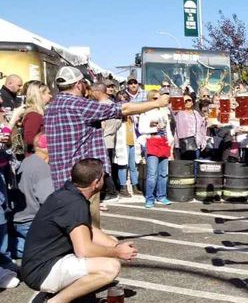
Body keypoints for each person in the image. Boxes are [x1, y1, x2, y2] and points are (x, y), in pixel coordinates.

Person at [19, 159, 138, 303]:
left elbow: (88, 229)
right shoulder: (75, 204)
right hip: (41, 271)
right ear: (96, 182)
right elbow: (84, 250)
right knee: (110, 267)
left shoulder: (69, 193)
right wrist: (117, 252)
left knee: (109, 243)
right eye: (103, 176)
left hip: (41, 263)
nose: (105, 179)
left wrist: (115, 244)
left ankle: (72, 298)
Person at [45, 66, 169, 226]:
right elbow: (124, 108)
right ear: (78, 85)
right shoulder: (78, 104)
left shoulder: (51, 107)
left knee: (66, 225)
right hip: (82, 179)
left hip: (59, 177)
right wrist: (157, 103)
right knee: (85, 227)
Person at [12, 133, 52, 260]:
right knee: (52, 249)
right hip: (31, 222)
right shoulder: (42, 168)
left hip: (19, 220)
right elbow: (48, 200)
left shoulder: (27, 161)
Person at [138, 90, 174, 209]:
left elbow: (168, 129)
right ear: (149, 99)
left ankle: (161, 196)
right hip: (152, 142)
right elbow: (141, 129)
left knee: (163, 173)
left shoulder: (164, 111)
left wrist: (170, 141)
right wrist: (155, 129)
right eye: (155, 98)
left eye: (159, 98)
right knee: (152, 173)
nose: (157, 100)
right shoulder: (145, 113)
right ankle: (150, 198)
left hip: (164, 142)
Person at [20, 81, 52, 152]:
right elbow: (29, 139)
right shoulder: (34, 115)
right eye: (48, 93)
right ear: (40, 95)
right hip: (37, 155)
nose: (51, 96)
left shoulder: (38, 113)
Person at [173, 95, 207, 160]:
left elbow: (202, 128)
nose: (187, 102)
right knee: (182, 164)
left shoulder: (196, 113)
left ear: (192, 102)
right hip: (182, 145)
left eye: (189, 100)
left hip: (196, 144)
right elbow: (171, 107)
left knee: (194, 165)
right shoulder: (178, 113)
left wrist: (203, 140)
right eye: (185, 101)